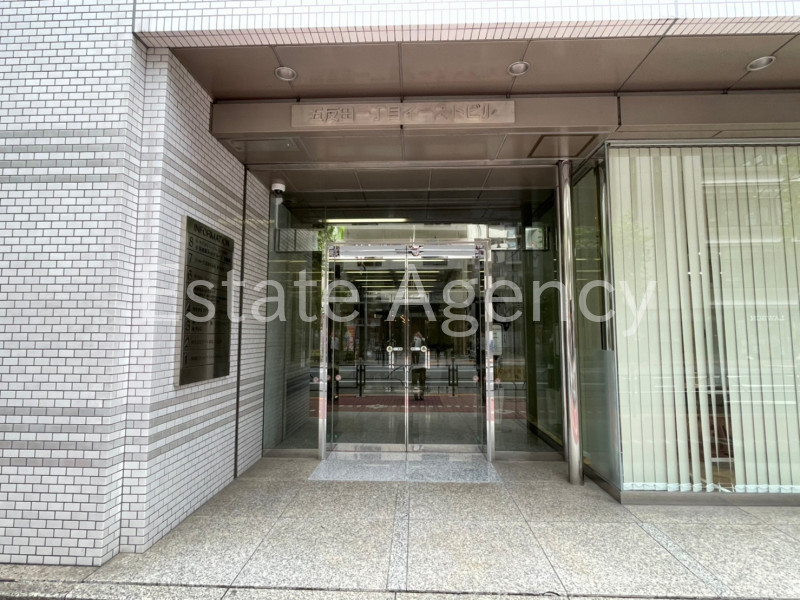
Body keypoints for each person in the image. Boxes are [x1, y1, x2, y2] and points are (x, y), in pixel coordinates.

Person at [411, 330, 426, 401]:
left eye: (419, 335)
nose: (417, 337)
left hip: (422, 365)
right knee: (415, 382)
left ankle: (421, 395)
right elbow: (412, 350)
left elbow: (425, 347)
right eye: (416, 335)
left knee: (422, 381)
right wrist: (414, 341)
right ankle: (416, 395)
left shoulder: (423, 342)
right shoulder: (413, 342)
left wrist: (422, 339)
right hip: (415, 366)